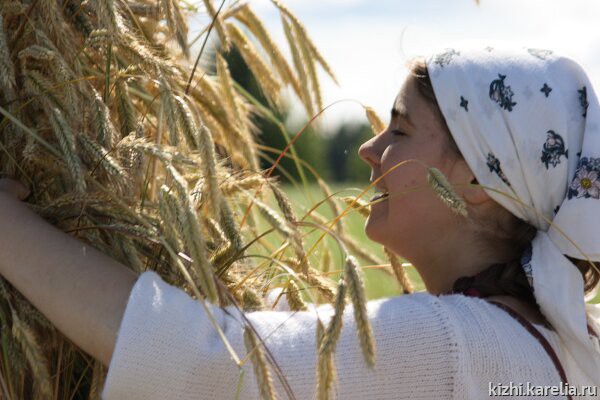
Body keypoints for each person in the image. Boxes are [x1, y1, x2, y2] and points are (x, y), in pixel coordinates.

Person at [0, 42, 599, 399]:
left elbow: (210, 363)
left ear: (475, 180)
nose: (370, 148)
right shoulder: (571, 347)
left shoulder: (455, 346)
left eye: (401, 129)